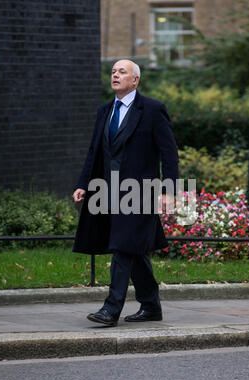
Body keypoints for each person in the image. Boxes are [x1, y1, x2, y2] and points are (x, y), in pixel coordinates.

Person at [72, 59, 178, 327]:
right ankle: (151, 305)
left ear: (135, 80)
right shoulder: (104, 110)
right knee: (134, 248)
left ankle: (111, 309)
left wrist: (169, 189)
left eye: (122, 72)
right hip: (107, 191)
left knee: (122, 245)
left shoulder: (153, 110)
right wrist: (84, 183)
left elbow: (169, 152)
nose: (115, 75)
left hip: (141, 192)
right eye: (113, 71)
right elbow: (94, 150)